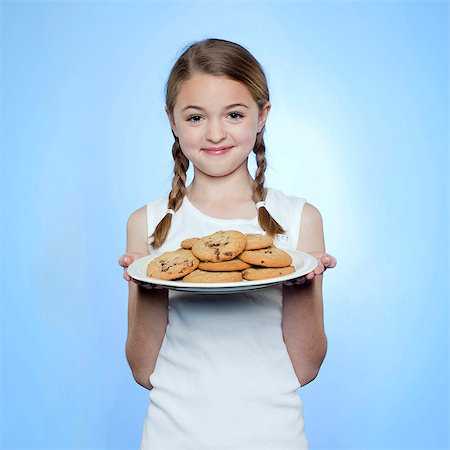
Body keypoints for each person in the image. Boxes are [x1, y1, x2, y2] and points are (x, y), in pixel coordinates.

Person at [118, 38, 337, 450]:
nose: (215, 132)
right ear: (172, 121)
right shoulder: (146, 223)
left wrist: (305, 283)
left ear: (261, 115)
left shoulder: (299, 219)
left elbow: (306, 367)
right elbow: (143, 370)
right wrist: (146, 287)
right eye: (196, 117)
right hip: (171, 437)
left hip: (275, 437)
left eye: (234, 114)